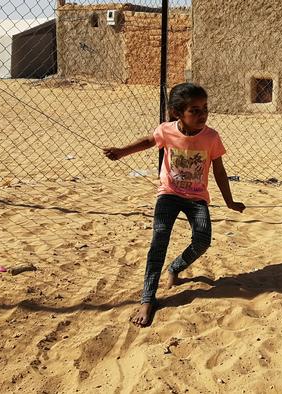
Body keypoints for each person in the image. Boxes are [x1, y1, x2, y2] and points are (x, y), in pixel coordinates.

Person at [103, 82, 245, 327]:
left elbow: (220, 170)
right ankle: (147, 299)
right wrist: (122, 152)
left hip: (197, 198)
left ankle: (175, 267)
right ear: (178, 113)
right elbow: (149, 141)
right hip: (168, 193)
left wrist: (229, 201)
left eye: (205, 108)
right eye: (195, 110)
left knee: (202, 240)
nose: (202, 115)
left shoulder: (211, 137)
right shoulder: (167, 130)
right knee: (159, 239)